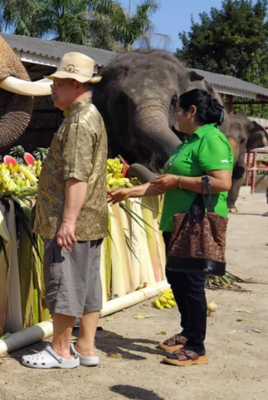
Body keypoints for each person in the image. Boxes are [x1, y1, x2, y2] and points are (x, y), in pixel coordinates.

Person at [109, 89, 232, 367]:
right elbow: (163, 182)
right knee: (177, 279)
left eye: (177, 110)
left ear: (191, 112)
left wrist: (178, 181)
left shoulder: (211, 139)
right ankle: (188, 332)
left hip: (197, 224)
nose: (173, 115)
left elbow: (222, 182)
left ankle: (197, 347)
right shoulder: (186, 142)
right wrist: (128, 193)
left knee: (191, 284)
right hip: (177, 222)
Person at [22, 52, 107, 369]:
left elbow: (76, 175)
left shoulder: (78, 123)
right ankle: (85, 346)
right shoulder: (89, 115)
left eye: (58, 83)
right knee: (87, 284)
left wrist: (67, 222)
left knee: (66, 282)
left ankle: (60, 350)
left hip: (71, 222)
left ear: (76, 84)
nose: (53, 88)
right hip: (91, 221)